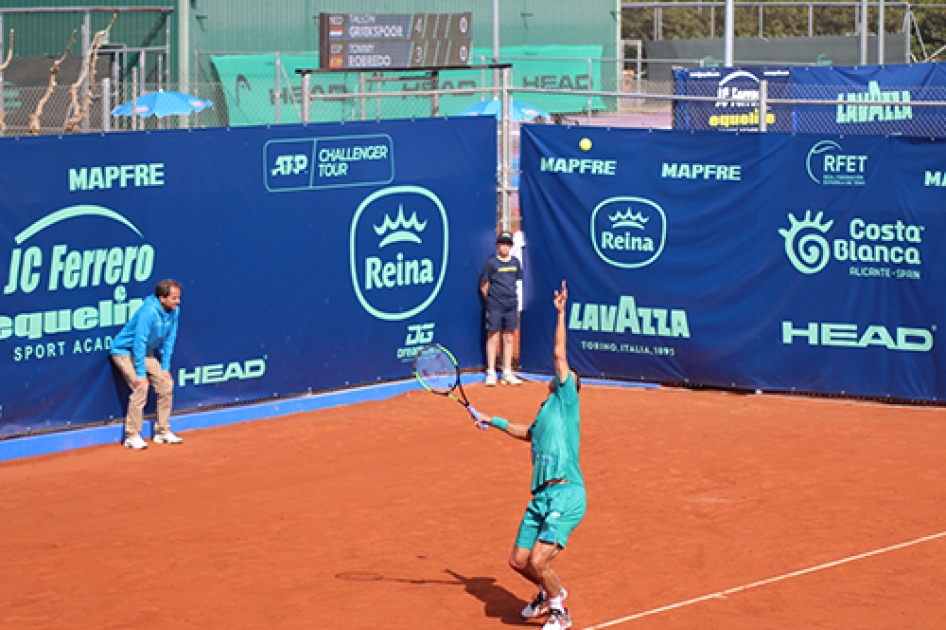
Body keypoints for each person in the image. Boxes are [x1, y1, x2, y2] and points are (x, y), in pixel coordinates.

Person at [469, 280, 585, 630]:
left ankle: (559, 611)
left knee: (539, 557)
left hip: (566, 492)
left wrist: (561, 313)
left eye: (568, 376)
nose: (563, 374)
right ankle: (547, 593)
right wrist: (494, 419)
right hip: (542, 496)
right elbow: (527, 433)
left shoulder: (567, 401)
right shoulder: (546, 410)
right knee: (519, 561)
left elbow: (560, 356)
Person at [110, 278, 183, 450]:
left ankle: (162, 431)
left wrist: (165, 368)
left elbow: (170, 339)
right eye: (174, 298)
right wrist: (141, 374)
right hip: (124, 351)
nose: (178, 301)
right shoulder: (148, 312)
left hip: (144, 353)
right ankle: (132, 435)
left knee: (166, 385)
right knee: (140, 386)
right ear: (162, 298)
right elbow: (139, 342)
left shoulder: (175, 311)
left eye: (178, 297)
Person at [480, 230, 523, 386]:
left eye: (507, 244)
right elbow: (484, 285)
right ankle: (491, 372)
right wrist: (492, 300)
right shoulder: (491, 263)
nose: (504, 247)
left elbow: (517, 282)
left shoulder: (516, 263)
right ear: (497, 245)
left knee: (509, 337)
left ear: (511, 246)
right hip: (495, 305)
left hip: (511, 304)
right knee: (493, 337)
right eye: (502, 243)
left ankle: (507, 372)